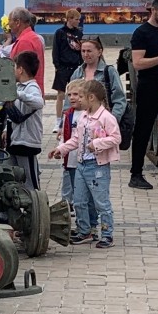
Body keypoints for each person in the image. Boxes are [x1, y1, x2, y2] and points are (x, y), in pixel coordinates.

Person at [51, 78, 120, 249]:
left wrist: (96, 144)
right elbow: (76, 138)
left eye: (80, 96)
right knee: (79, 200)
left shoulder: (106, 117)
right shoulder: (84, 116)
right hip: (82, 164)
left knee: (101, 202)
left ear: (91, 97)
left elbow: (116, 137)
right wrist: (62, 149)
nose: (77, 99)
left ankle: (107, 233)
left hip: (97, 167)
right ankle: (85, 229)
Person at [128, 0, 158, 190]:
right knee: (143, 130)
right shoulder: (141, 33)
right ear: (153, 10)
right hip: (148, 86)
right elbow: (138, 63)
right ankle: (136, 174)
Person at [56, 79, 98, 237]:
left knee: (90, 198)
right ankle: (81, 226)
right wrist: (60, 149)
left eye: (77, 94)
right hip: (71, 161)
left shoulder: (91, 115)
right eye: (70, 95)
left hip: (88, 161)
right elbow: (67, 137)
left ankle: (92, 225)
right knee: (76, 197)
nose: (73, 98)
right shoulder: (68, 115)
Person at [5, 49, 45, 190]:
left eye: (15, 67)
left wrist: (19, 94)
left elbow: (39, 102)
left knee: (30, 181)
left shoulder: (31, 87)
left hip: (27, 141)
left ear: (20, 69)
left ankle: (35, 208)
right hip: (15, 140)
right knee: (13, 177)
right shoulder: (19, 86)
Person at [70, 37, 126, 121]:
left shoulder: (109, 71)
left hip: (102, 121)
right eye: (83, 51)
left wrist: (112, 120)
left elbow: (119, 99)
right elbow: (69, 100)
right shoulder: (77, 73)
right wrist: (64, 122)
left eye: (89, 51)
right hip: (81, 122)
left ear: (99, 52)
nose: (85, 54)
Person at [52, 8, 83, 119]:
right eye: (76, 19)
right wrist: (57, 66)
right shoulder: (60, 33)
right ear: (69, 19)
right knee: (60, 94)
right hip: (63, 67)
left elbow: (80, 51)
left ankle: (74, 116)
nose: (78, 21)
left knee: (76, 93)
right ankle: (58, 119)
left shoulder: (79, 33)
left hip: (75, 66)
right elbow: (56, 50)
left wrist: (81, 64)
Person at [7, 7, 45, 93]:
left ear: (17, 22)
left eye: (10, 20)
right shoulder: (32, 37)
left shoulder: (25, 41)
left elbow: (23, 72)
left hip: (26, 93)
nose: (8, 24)